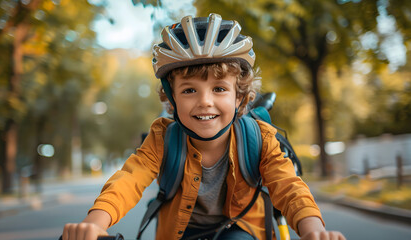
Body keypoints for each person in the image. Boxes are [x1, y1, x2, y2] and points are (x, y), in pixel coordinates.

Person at [62, 13, 346, 240]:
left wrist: (314, 231)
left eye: (219, 88)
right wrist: (93, 223)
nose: (204, 102)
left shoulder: (258, 138)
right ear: (171, 98)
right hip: (180, 231)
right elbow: (128, 181)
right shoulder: (163, 137)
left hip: (243, 228)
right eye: (189, 91)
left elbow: (288, 186)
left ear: (239, 98)